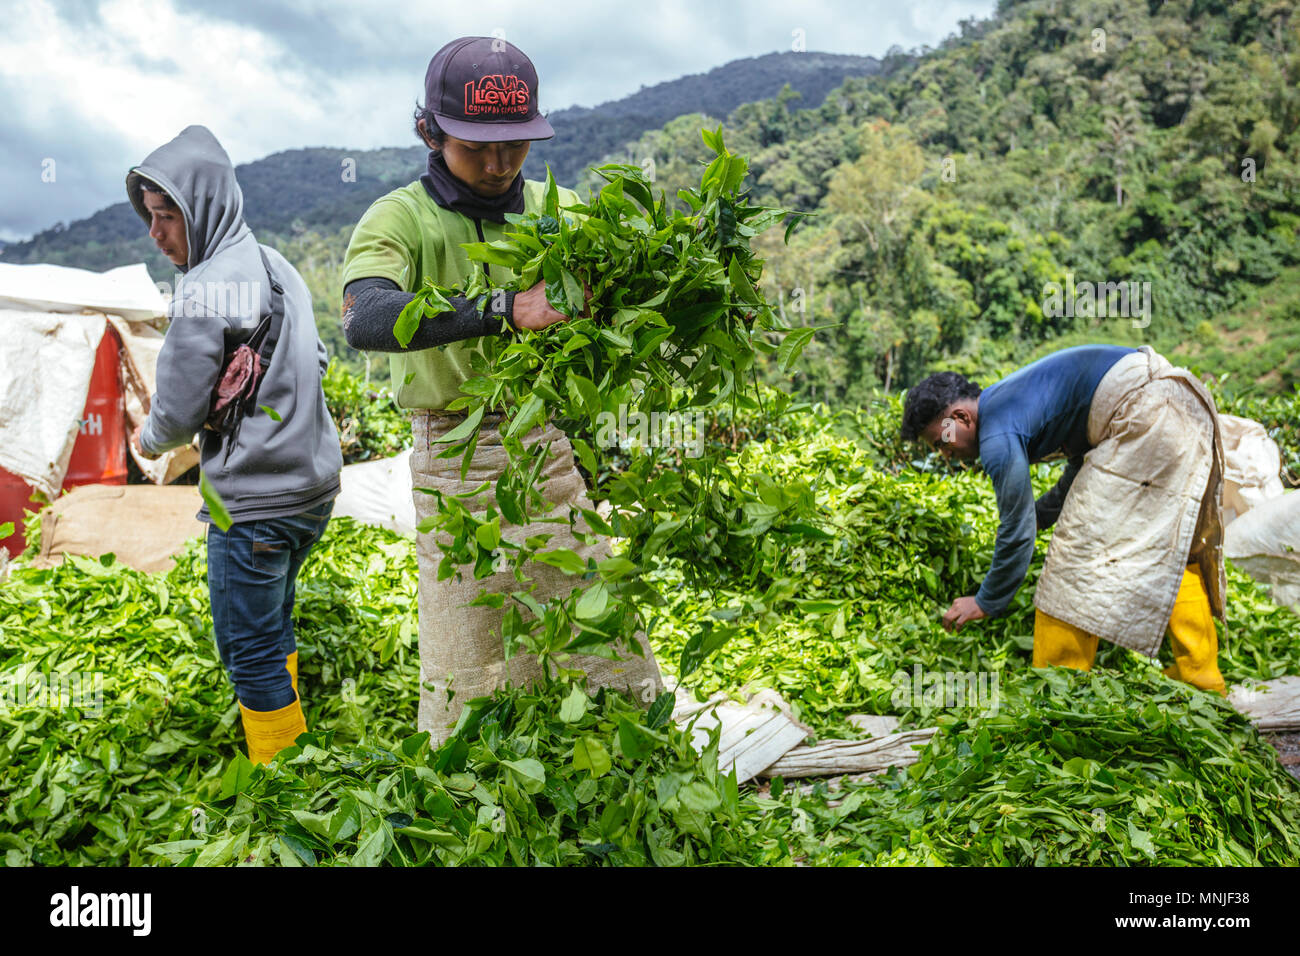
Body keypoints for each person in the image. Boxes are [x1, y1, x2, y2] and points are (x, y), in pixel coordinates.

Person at [341, 37, 665, 745]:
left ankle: (630, 764)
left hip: (543, 454)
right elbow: (365, 318)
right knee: (471, 669)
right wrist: (501, 308)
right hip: (451, 463)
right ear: (429, 132)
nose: (496, 165)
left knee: (605, 647)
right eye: (474, 147)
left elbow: (627, 296)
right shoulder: (401, 217)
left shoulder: (566, 213)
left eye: (513, 146)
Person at [126, 125, 344, 762]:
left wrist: (147, 437)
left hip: (254, 504)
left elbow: (176, 412)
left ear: (204, 209)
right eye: (150, 217)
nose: (157, 233)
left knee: (247, 647)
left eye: (168, 217)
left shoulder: (201, 290)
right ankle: (292, 732)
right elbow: (321, 358)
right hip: (315, 491)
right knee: (274, 615)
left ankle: (286, 785)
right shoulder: (277, 264)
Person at [899, 344, 1227, 693]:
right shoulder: (1013, 400)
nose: (944, 453)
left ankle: (1058, 690)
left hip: (1145, 412)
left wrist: (985, 600)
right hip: (1177, 404)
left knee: (1075, 558)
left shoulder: (995, 433)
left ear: (962, 418)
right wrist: (1041, 514)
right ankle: (1201, 676)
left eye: (941, 439)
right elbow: (1083, 464)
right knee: (1165, 547)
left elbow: (1016, 529)